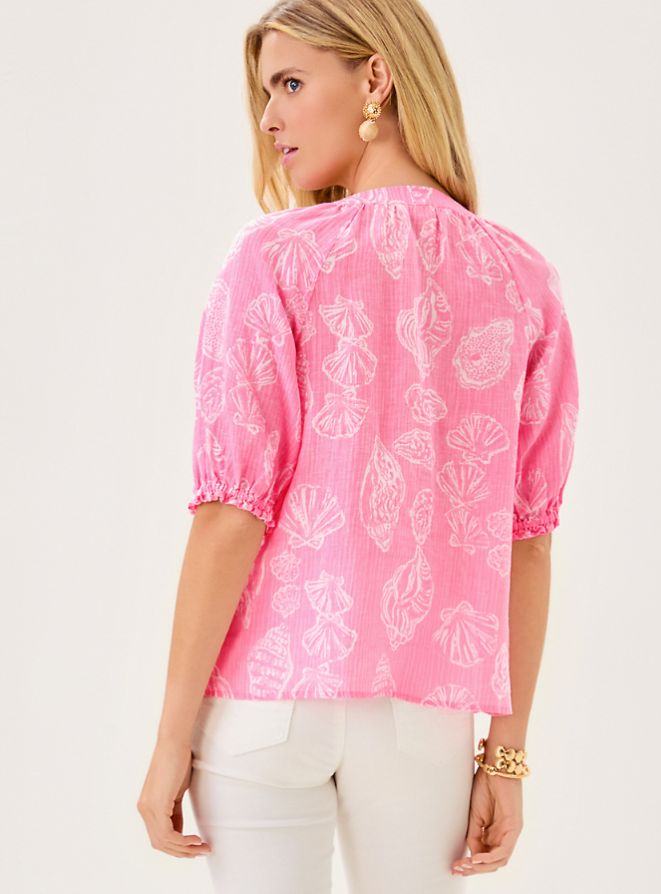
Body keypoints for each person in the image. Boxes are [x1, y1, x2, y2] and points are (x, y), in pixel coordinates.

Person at [136, 1, 580, 891]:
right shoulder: (522, 280)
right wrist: (506, 756)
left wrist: (169, 739)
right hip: (426, 717)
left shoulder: (272, 260)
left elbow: (231, 515)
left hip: (266, 703)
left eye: (290, 83)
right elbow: (527, 537)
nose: (270, 119)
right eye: (266, 93)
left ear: (376, 76)